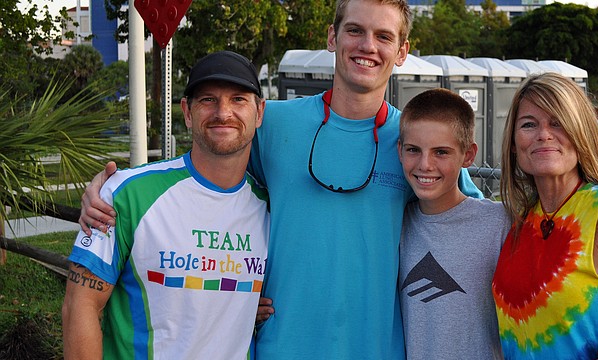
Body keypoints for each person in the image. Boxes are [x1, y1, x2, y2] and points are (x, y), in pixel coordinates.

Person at [79, 1, 480, 358]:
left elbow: (471, 221)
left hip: (377, 347)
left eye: (383, 36)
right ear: (332, 37)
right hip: (278, 345)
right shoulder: (273, 122)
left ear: (402, 51)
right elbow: (198, 185)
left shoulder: (415, 144)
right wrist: (107, 192)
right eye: (354, 30)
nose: (367, 46)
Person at [62, 51, 269, 359]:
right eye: (207, 100)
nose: (223, 112)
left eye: (238, 99)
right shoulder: (127, 193)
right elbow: (79, 306)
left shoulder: (270, 209)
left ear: (260, 112)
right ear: (187, 111)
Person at [491, 72, 598, 359]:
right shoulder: (517, 220)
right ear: (513, 143)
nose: (543, 134)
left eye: (558, 122)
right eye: (529, 124)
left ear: (581, 132)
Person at [397, 88, 510, 360]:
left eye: (441, 152)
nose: (425, 164)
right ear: (399, 151)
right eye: (414, 150)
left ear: (468, 155)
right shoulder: (394, 225)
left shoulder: (500, 224)